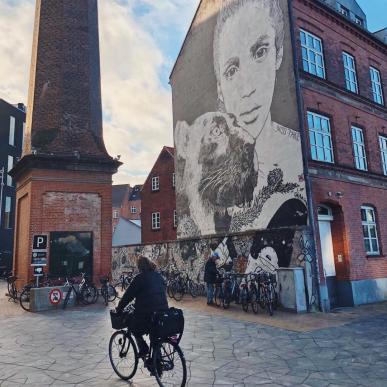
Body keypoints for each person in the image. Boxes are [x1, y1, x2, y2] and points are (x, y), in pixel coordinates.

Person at [116, 256, 168, 358]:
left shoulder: (139, 278)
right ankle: (157, 363)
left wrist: (119, 308)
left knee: (132, 326)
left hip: (147, 314)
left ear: (139, 267)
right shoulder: (158, 276)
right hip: (163, 313)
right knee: (154, 333)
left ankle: (143, 349)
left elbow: (128, 296)